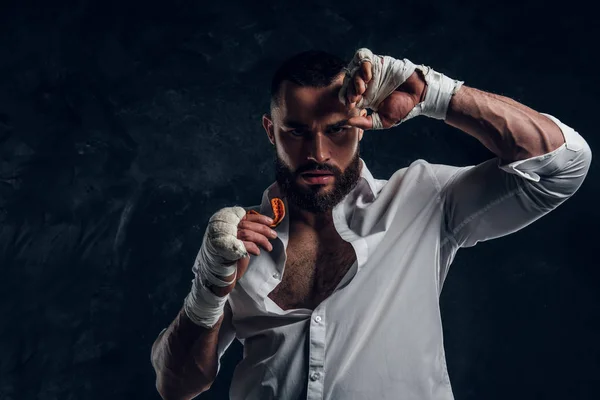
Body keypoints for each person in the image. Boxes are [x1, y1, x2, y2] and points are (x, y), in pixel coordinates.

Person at [150, 48, 592, 400]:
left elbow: (564, 165)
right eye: (297, 132)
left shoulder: (423, 199)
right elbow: (177, 386)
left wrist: (434, 94)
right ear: (271, 131)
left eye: (338, 129)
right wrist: (210, 285)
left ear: (363, 125)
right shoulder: (239, 242)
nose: (318, 153)